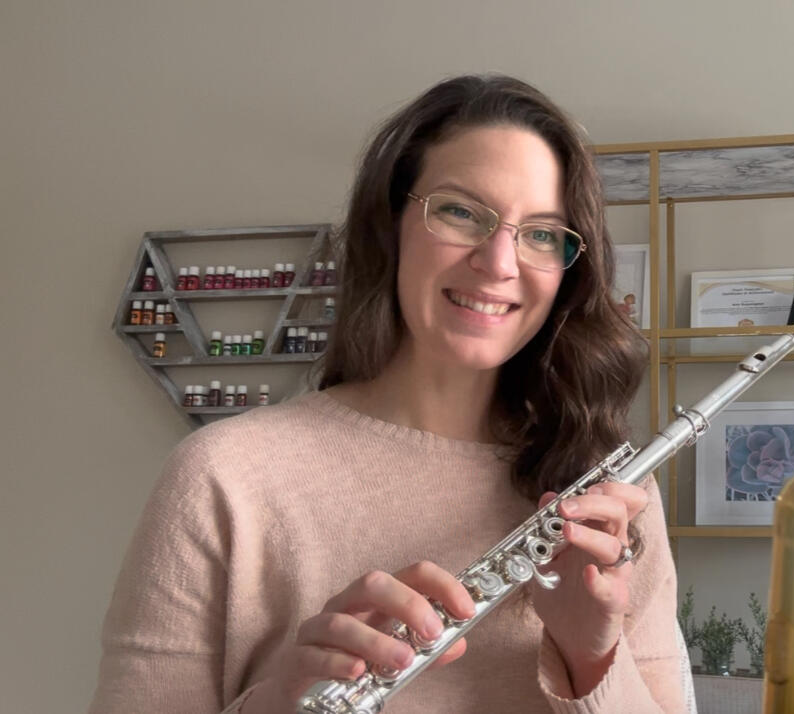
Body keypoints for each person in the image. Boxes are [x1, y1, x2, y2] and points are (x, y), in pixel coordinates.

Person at [90, 74, 690, 713]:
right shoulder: (224, 477)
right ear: (390, 225)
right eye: (461, 212)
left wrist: (592, 657)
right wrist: (280, 701)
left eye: (542, 233)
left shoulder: (612, 496)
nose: (499, 262)